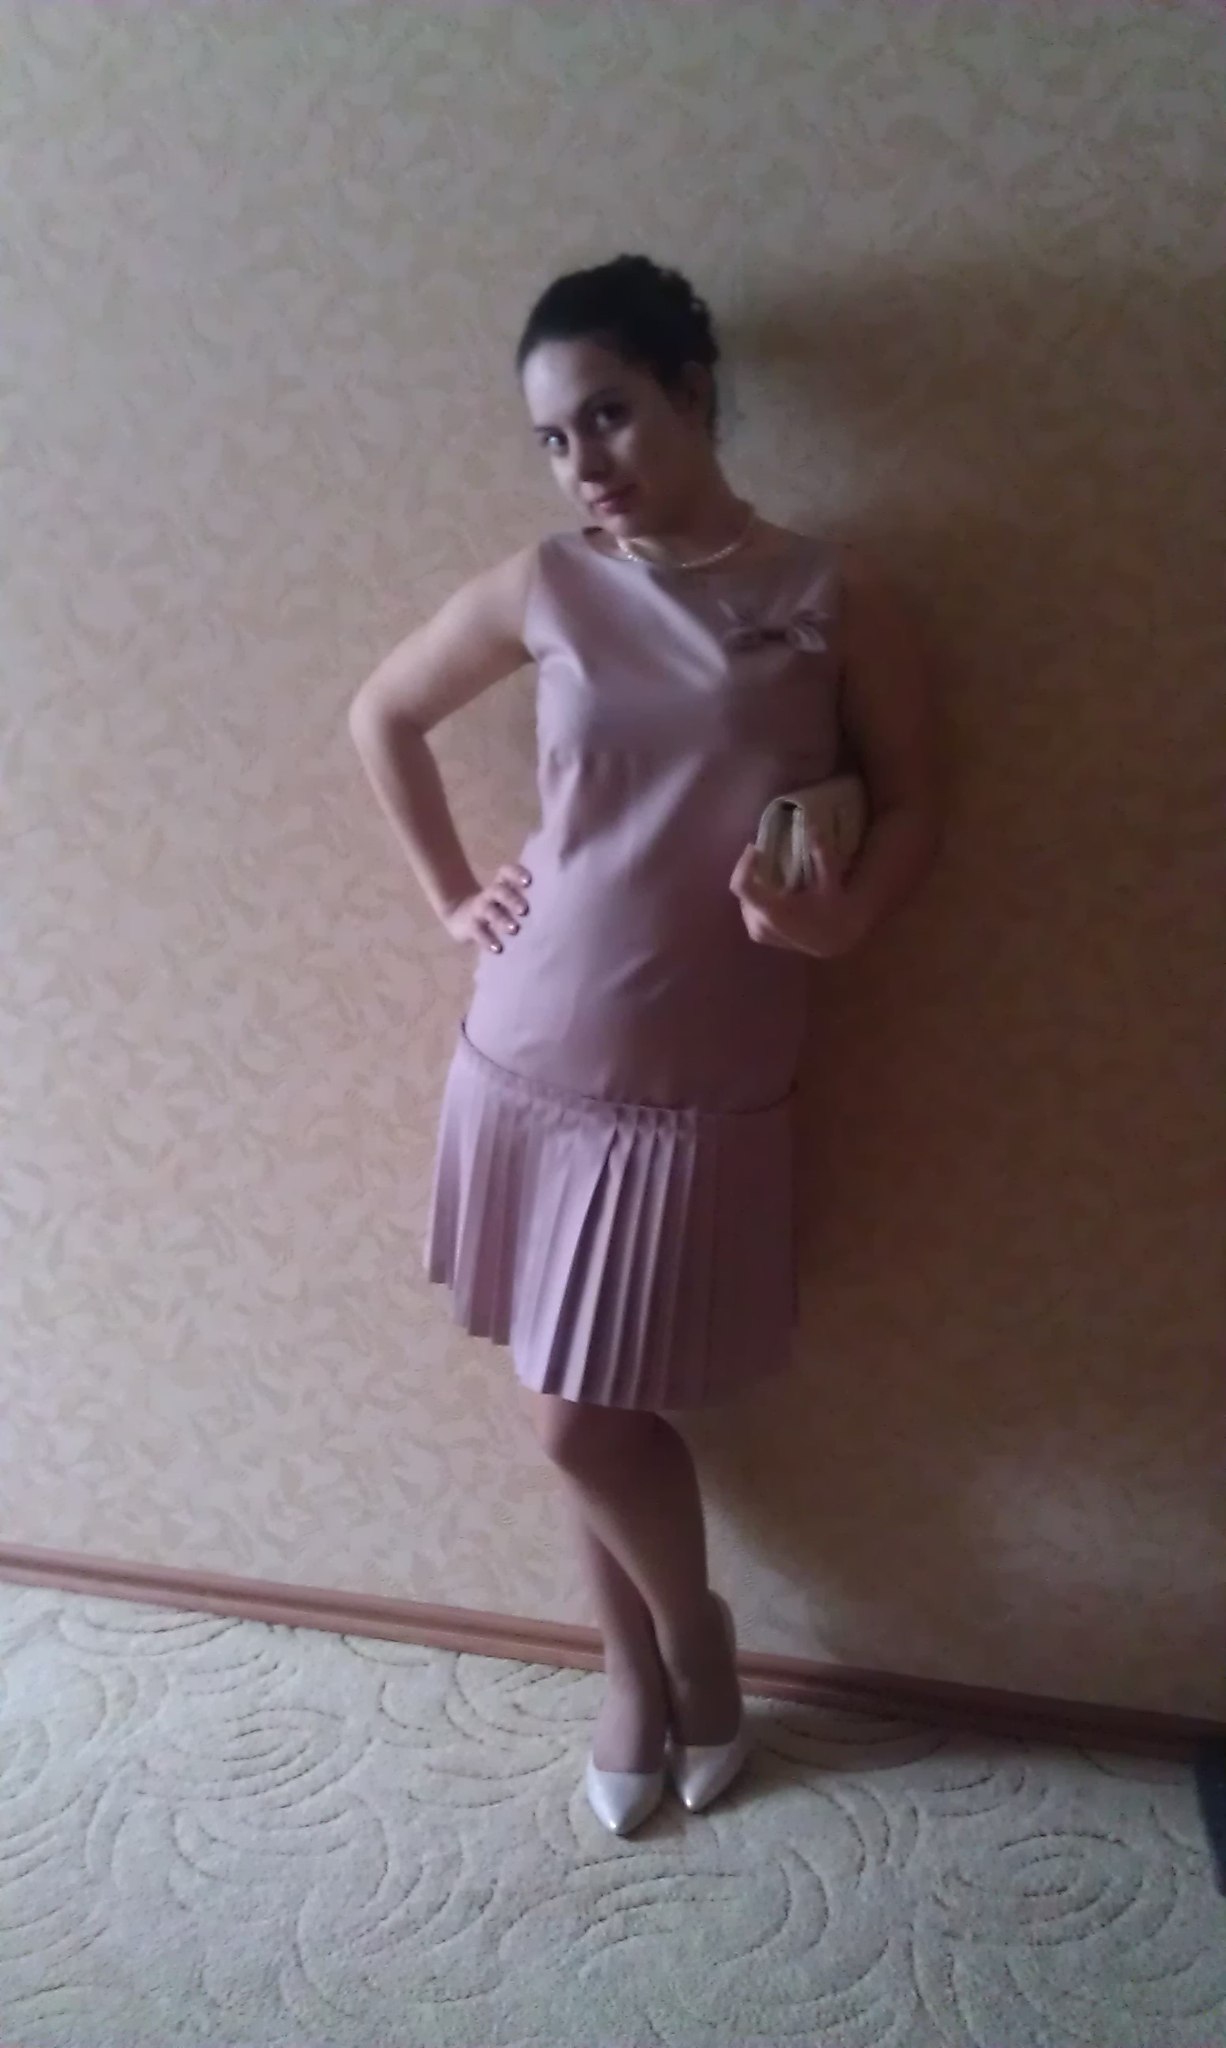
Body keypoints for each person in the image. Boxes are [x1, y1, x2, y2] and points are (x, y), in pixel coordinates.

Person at [347, 253, 941, 1837]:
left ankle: (689, 1640)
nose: (581, 463)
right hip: (528, 1039)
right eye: (552, 438)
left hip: (698, 1068)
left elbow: (917, 801)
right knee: (567, 1386)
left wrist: (844, 923)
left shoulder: (835, 595)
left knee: (579, 1400)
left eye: (606, 415)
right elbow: (380, 715)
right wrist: (453, 894)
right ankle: (646, 1659)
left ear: (693, 390)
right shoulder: (548, 586)